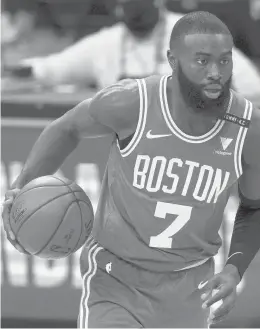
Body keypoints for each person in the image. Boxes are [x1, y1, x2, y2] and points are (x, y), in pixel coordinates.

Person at [2, 11, 260, 328]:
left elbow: (253, 206)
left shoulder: (249, 127)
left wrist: (235, 269)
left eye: (224, 61)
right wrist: (21, 186)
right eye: (202, 61)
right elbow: (66, 128)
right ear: (173, 61)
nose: (216, 73)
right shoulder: (132, 102)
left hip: (191, 287)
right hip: (116, 281)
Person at [10, 0, 260, 103]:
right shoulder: (105, 43)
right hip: (125, 154)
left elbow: (250, 88)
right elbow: (49, 69)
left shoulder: (194, 33)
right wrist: (14, 70)